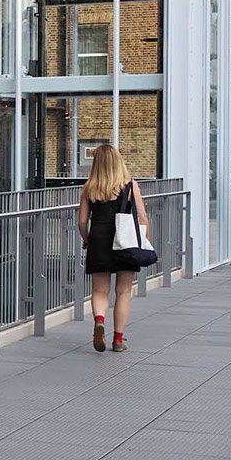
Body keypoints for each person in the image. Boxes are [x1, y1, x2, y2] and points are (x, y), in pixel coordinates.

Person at [77, 141, 150, 352]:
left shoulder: (90, 187)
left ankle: (100, 321)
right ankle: (118, 340)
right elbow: (142, 217)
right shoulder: (130, 186)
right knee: (124, 291)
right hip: (125, 240)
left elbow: (82, 222)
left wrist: (87, 239)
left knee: (100, 290)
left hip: (99, 239)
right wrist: (143, 240)